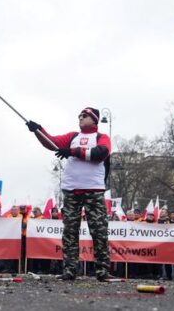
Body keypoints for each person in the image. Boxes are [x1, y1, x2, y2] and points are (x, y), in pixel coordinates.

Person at [26, 107, 114, 282]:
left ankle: (102, 271)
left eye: (84, 115)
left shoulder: (101, 138)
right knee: (70, 232)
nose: (80, 118)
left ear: (95, 119)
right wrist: (38, 130)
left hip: (94, 191)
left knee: (99, 232)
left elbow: (100, 153)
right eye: (79, 116)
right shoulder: (73, 136)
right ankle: (70, 270)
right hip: (72, 190)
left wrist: (72, 152)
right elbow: (51, 143)